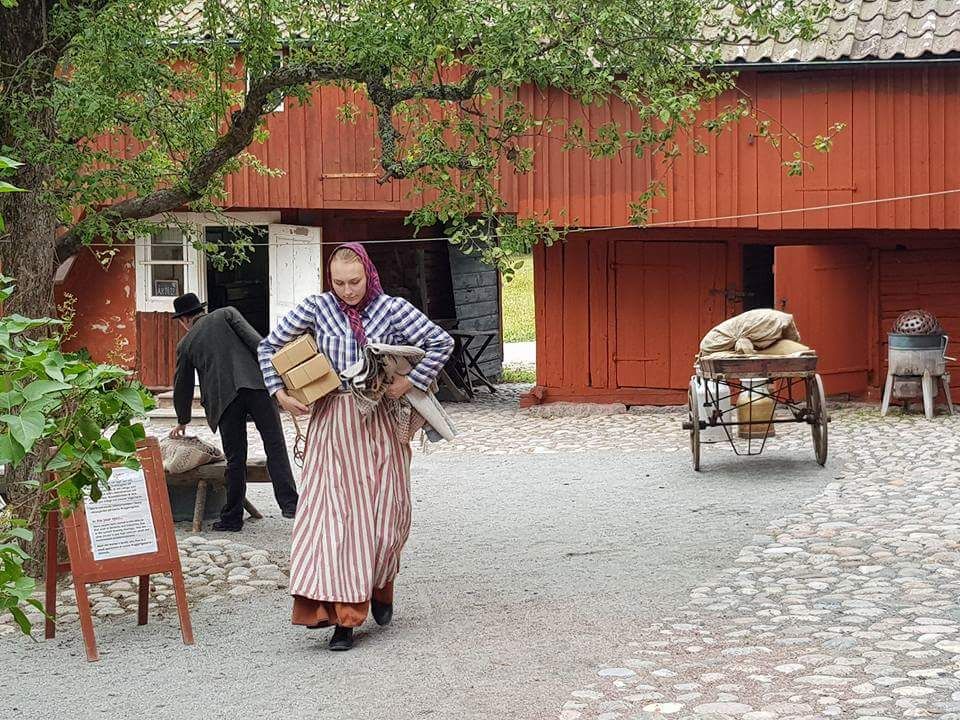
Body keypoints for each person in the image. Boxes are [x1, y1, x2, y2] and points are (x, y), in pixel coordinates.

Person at [258, 243, 453, 651]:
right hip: (332, 422)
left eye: (355, 281)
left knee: (386, 515)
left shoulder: (393, 309)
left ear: (368, 274)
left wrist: (409, 381)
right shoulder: (317, 308)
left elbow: (441, 343)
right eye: (339, 282)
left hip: (381, 421)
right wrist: (280, 393)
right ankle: (342, 618)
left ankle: (380, 585)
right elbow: (267, 347)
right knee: (333, 519)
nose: (347, 290)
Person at [169, 293, 300, 532]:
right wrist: (281, 378)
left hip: (223, 399)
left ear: (184, 319)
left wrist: (182, 420)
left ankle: (232, 518)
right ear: (200, 310)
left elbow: (182, 385)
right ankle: (291, 505)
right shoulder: (227, 313)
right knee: (275, 445)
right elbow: (258, 344)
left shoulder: (186, 344)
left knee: (235, 458)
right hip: (257, 386)